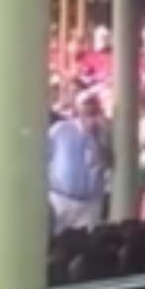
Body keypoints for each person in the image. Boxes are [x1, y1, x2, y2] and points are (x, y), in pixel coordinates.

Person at [47, 92, 111, 232]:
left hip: (90, 203)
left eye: (93, 110)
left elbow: (105, 163)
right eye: (85, 109)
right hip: (61, 198)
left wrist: (96, 136)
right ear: (77, 111)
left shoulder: (103, 133)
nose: (89, 114)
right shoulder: (60, 130)